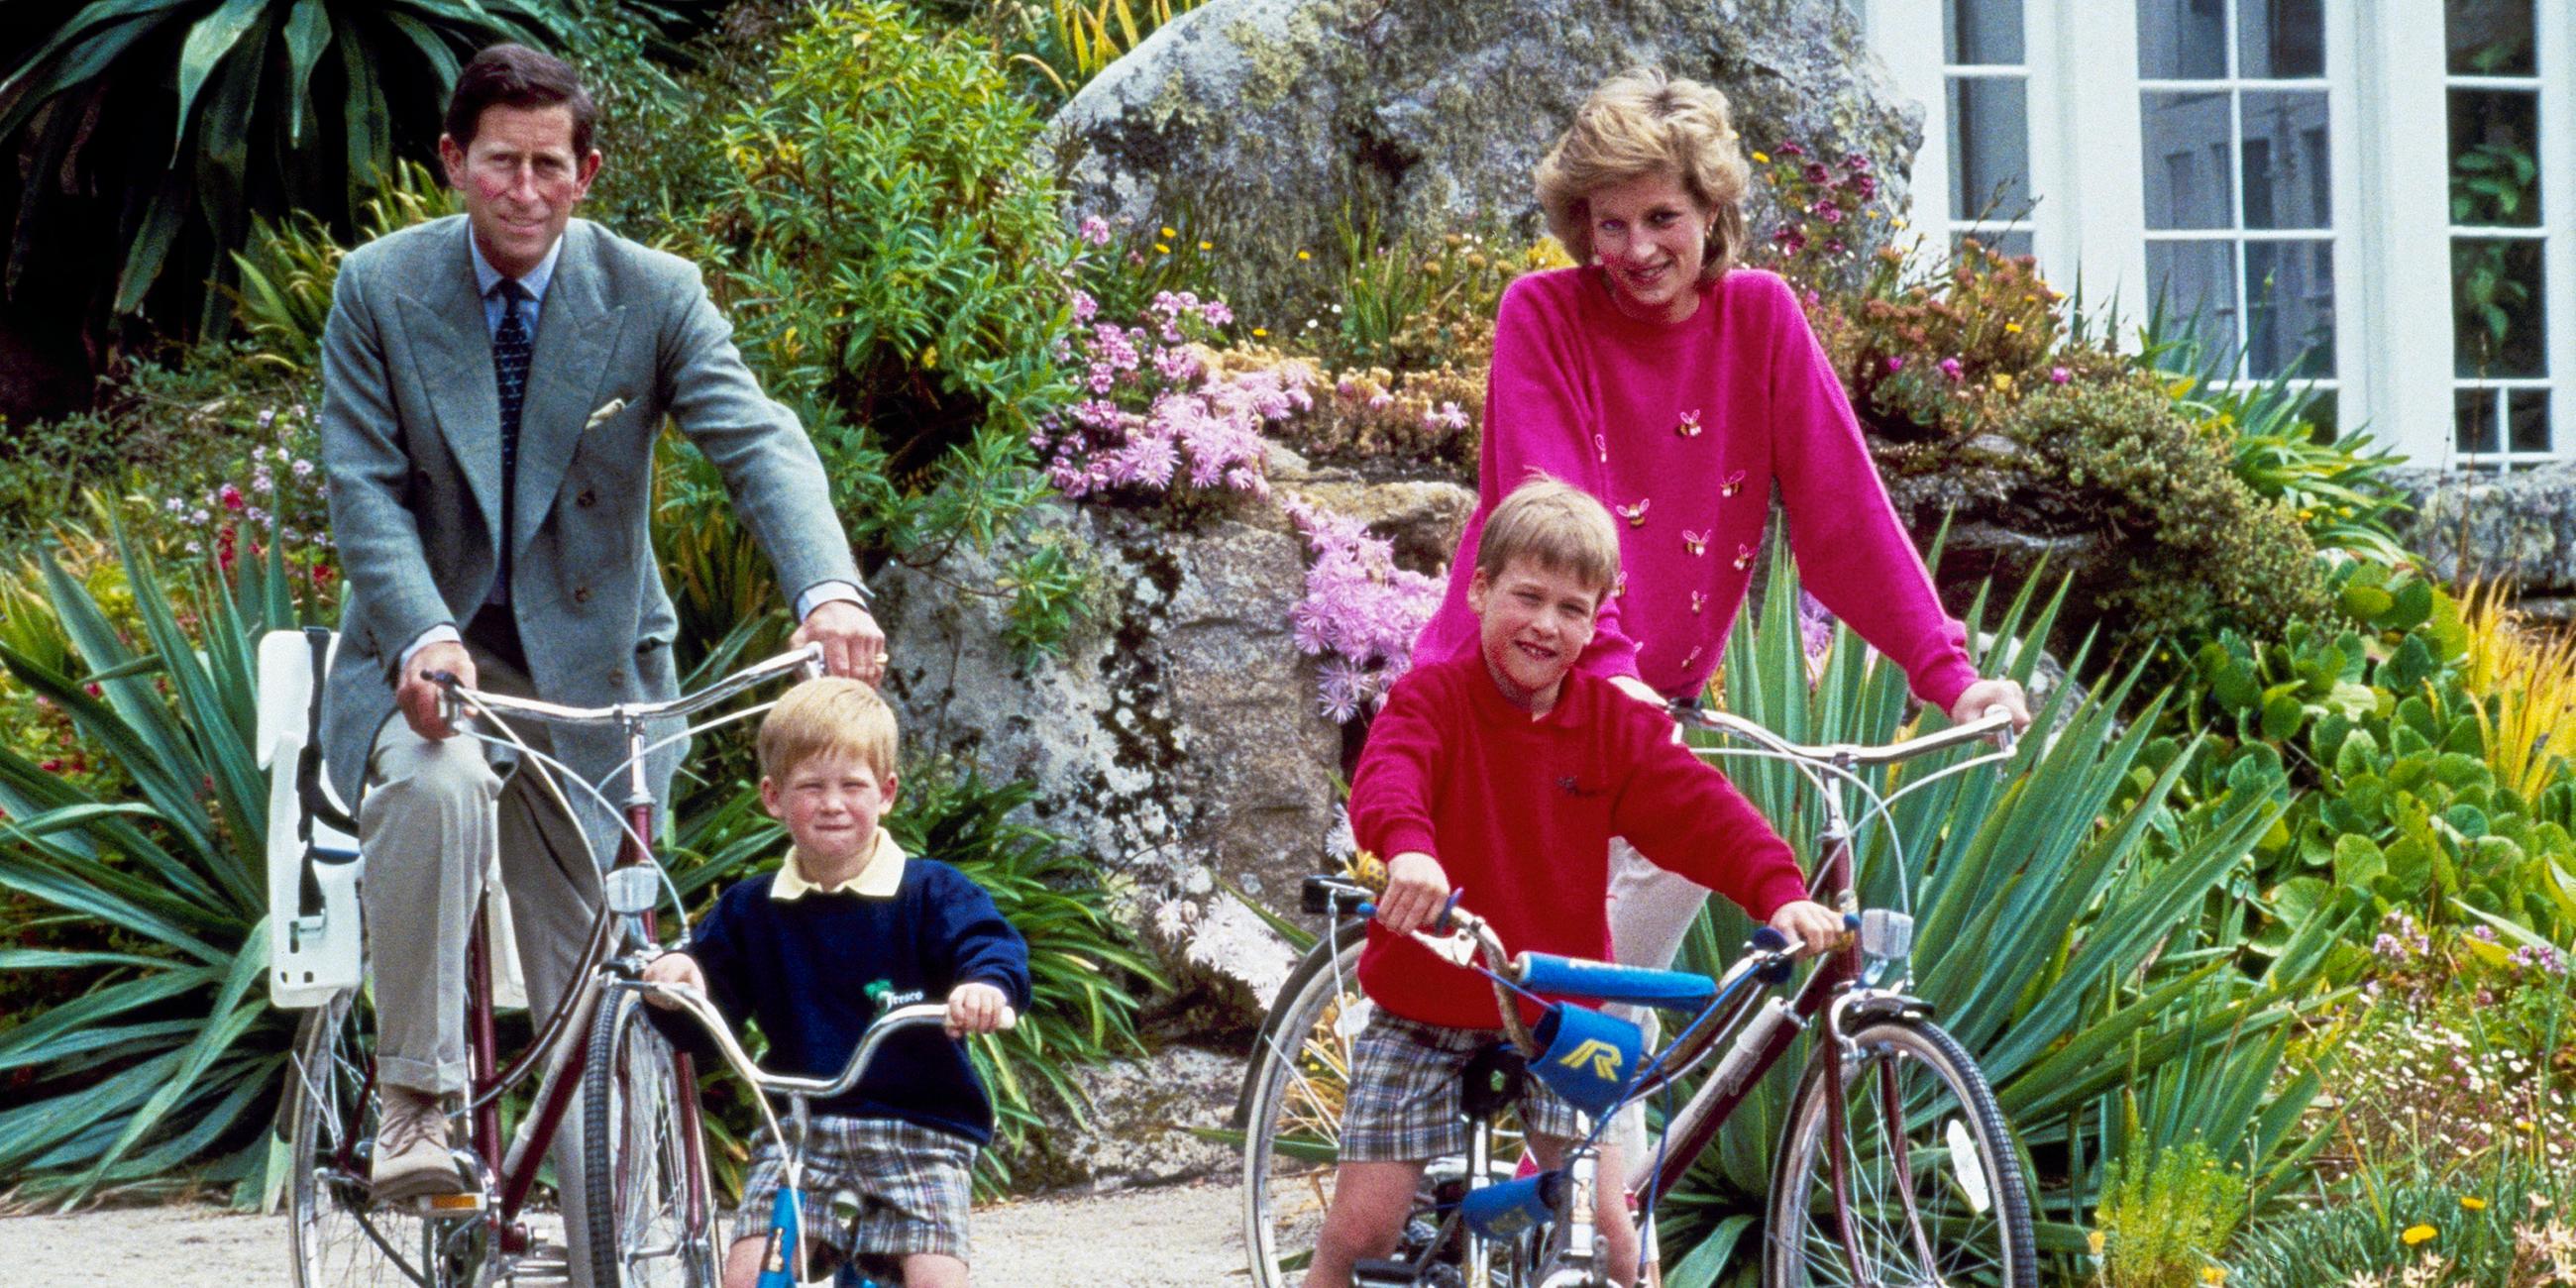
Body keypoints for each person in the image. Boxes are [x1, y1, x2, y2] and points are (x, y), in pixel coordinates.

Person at [315, 40, 885, 1239]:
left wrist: (828, 589)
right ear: (452, 162)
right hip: (433, 662)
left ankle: (603, 1239)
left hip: (592, 676)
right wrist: (421, 634)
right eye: (499, 164)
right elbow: (362, 489)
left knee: (597, 968)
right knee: (433, 784)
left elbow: (758, 441)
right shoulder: (378, 287)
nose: (524, 190)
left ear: (585, 173)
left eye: (548, 165)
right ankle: (417, 1102)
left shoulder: (653, 292)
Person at [1410, 66, 2031, 997]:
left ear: (1711, 209)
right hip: (1515, 698)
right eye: (1609, 224)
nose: (1636, 248)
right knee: (1500, 1014)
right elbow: (1554, 518)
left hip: (1646, 719)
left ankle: (1582, 1131)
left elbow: (1845, 523)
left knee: (1614, 1020)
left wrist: (1952, 678)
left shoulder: (1761, 319)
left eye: (1661, 217)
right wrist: (1610, 667)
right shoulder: (1542, 316)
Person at [1306, 479, 1842, 1288]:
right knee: (1359, 1234)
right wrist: (1410, 852)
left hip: (1554, 1015)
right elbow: (1391, 778)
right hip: (1425, 1005)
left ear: (1597, 622)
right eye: (1527, 597)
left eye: (1573, 609)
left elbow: (1703, 813)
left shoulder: (1610, 726)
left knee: (1614, 1244)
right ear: (1479, 590)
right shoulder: (1432, 699)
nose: (1546, 625)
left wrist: (1781, 891)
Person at [641, 678, 1029, 1288]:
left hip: (919, 1132)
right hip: (801, 1132)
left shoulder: (930, 891)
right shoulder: (753, 907)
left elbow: (989, 943)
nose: (833, 804)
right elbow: (708, 998)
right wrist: (679, 981)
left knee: (935, 1278)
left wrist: (985, 987)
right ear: (773, 797)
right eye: (810, 787)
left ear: (888, 793)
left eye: (853, 785)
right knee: (749, 1277)